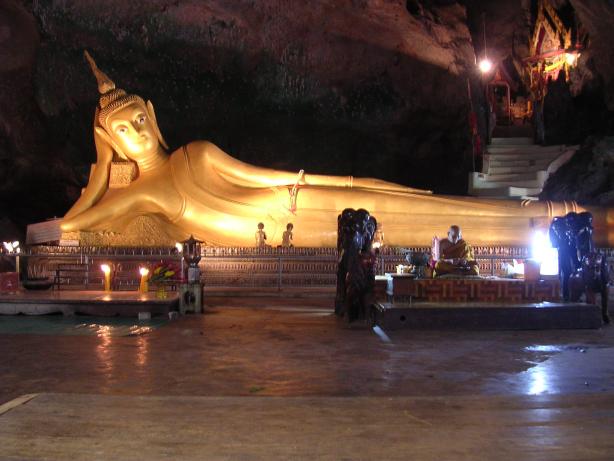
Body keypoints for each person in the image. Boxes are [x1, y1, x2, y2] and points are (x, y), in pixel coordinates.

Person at [60, 52, 614, 248]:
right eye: (123, 131)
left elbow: (266, 175)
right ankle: (568, 221)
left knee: (424, 206)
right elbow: (71, 225)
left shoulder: (195, 153)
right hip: (288, 236)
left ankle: (576, 217)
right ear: (115, 142)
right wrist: (101, 165)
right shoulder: (148, 195)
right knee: (418, 228)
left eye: (139, 118)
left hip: (298, 198)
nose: (137, 131)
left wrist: (352, 183)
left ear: (152, 113)